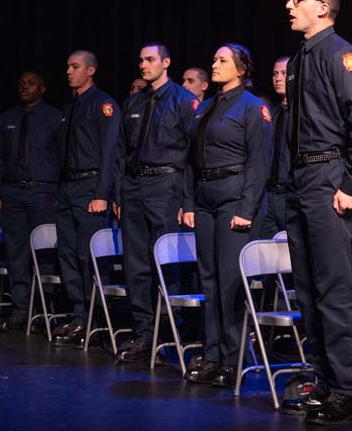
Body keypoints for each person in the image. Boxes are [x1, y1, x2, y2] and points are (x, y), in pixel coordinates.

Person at [281, 0, 352, 425]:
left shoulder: (340, 53)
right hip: (302, 178)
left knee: (334, 288)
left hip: (328, 176)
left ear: (322, 8)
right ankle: (323, 380)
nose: (289, 4)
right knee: (307, 288)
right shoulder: (303, 57)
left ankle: (346, 389)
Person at [182, 45, 273, 387]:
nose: (214, 64)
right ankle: (213, 353)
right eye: (215, 58)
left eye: (222, 60)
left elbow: (260, 161)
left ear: (241, 68)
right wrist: (188, 202)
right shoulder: (205, 106)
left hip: (235, 197)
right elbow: (191, 159)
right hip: (205, 197)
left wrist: (247, 208)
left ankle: (233, 360)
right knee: (209, 279)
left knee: (230, 280)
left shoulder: (254, 107)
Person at [114, 43, 199, 363]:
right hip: (134, 185)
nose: (143, 65)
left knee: (164, 262)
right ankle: (143, 333)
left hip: (167, 184)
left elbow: (193, 155)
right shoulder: (133, 101)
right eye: (140, 60)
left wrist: (186, 199)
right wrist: (118, 192)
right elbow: (122, 150)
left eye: (150, 60)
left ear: (166, 62)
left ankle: (169, 333)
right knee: (135, 263)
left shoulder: (184, 101)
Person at [53, 51, 121, 346]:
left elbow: (110, 153)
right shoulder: (70, 107)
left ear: (90, 70)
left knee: (87, 254)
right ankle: (79, 315)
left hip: (91, 185)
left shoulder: (103, 104)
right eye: (67, 66)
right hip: (68, 188)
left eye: (75, 66)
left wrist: (101, 194)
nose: (69, 71)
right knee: (67, 252)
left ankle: (94, 317)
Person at [0, 71, 62, 331]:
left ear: (42, 88)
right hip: (12, 193)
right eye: (20, 84)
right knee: (16, 252)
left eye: (30, 84)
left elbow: (63, 158)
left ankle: (44, 309)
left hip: (42, 192)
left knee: (43, 252)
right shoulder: (7, 119)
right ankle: (21, 309)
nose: (24, 87)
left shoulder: (54, 117)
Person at [259, 56, 292, 239]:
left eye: (284, 73)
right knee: (269, 257)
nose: (278, 78)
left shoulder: (303, 113)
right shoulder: (272, 113)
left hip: (290, 195)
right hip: (269, 195)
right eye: (275, 74)